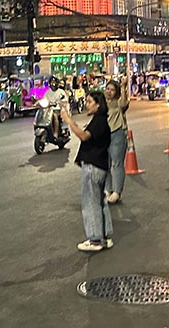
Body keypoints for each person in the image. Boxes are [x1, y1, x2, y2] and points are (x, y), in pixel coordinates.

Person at [60, 91, 112, 252]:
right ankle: (105, 235)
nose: (87, 104)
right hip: (100, 166)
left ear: (98, 104)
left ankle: (95, 239)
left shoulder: (99, 121)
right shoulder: (101, 120)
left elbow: (83, 136)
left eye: (90, 102)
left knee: (90, 203)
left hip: (93, 166)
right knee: (99, 202)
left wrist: (69, 121)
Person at [103, 77, 130, 204]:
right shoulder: (102, 103)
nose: (109, 92)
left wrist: (124, 87)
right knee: (105, 164)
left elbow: (124, 104)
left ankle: (117, 192)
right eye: (107, 89)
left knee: (117, 164)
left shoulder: (118, 103)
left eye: (112, 90)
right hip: (104, 135)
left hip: (117, 134)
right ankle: (108, 190)